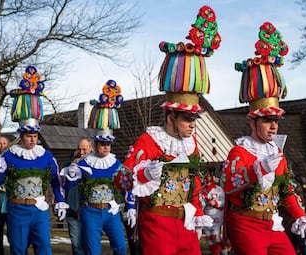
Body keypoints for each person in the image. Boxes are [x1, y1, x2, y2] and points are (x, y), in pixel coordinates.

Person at [114, 5, 221, 255]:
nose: (192, 123)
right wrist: (144, 175)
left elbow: (193, 183)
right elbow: (121, 179)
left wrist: (198, 210)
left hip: (185, 223)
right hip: (156, 225)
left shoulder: (191, 144)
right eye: (186, 118)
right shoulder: (150, 141)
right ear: (171, 115)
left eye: (194, 117)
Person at [222, 22, 306, 255]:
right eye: (267, 120)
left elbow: (285, 191)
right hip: (245, 224)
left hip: (272, 224)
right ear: (252, 122)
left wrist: (301, 216)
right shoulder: (240, 152)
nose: (273, 126)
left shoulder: (277, 154)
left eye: (276, 121)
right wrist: (258, 169)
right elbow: (230, 186)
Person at [0, 66, 68, 255]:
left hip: (40, 209)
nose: (32, 140)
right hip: (16, 210)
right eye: (28, 136)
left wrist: (59, 201)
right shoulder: (9, 155)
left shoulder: (46, 155)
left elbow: (57, 181)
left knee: (44, 249)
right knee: (18, 250)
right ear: (21, 136)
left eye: (34, 136)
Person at [61, 80, 134, 255]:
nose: (105, 147)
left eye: (108, 143)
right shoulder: (85, 162)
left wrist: (130, 206)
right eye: (102, 143)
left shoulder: (116, 163)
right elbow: (70, 187)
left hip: (111, 210)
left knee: (121, 247)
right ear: (95, 143)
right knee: (92, 250)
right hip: (90, 211)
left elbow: (127, 186)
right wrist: (70, 176)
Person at [63, 137, 92, 255]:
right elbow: (63, 184)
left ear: (91, 149)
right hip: (73, 210)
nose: (81, 152)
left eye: (84, 149)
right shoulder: (69, 164)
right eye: (79, 149)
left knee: (89, 243)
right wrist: (71, 166)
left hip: (89, 210)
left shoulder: (95, 165)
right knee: (76, 244)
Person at [201, 168, 227, 255]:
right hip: (206, 215)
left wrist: (215, 203)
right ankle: (214, 252)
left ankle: (224, 250)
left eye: (209, 176)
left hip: (217, 214)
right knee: (208, 237)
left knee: (215, 236)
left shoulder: (218, 189)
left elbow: (224, 202)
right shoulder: (202, 190)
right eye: (206, 176)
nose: (207, 178)